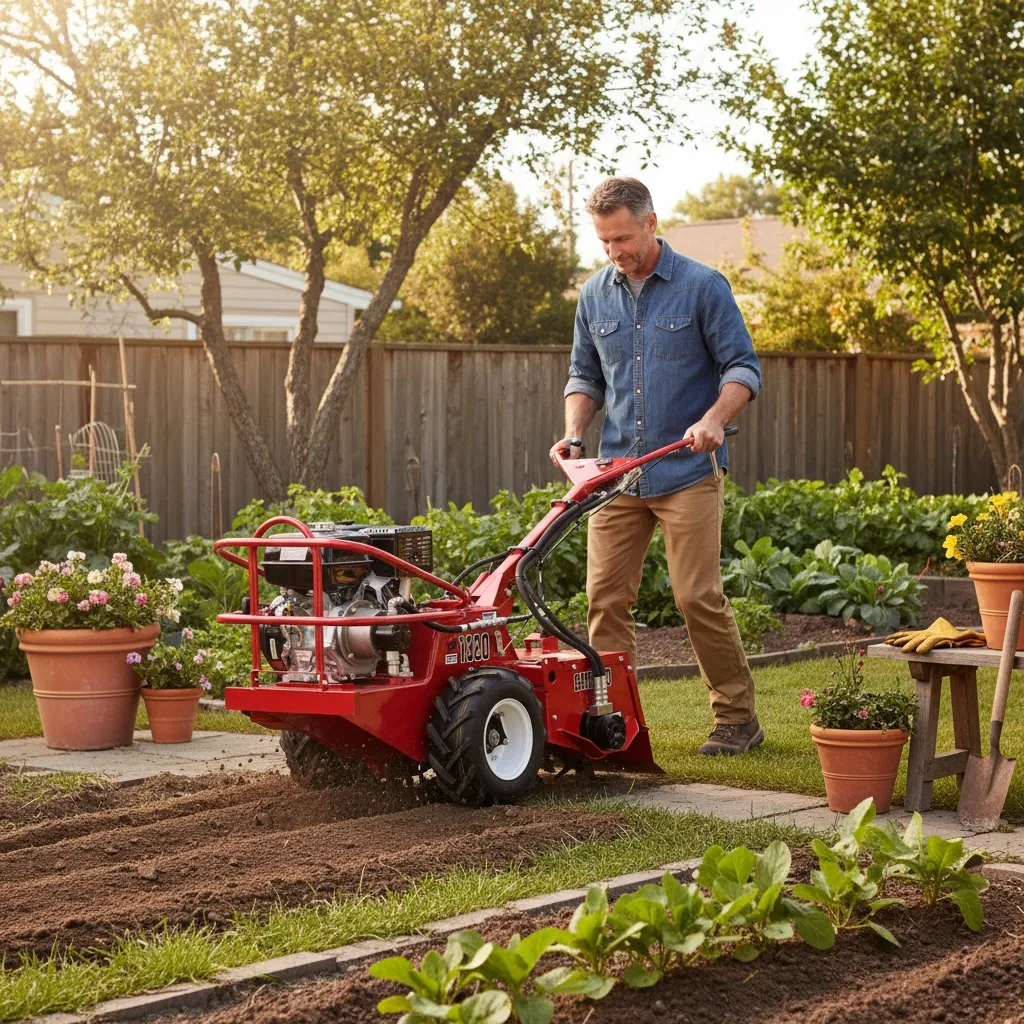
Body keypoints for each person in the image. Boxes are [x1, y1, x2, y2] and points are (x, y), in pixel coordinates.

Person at [548, 177, 763, 756]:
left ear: (650, 222)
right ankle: (613, 722)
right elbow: (585, 377)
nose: (616, 251)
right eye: (605, 242)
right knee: (605, 598)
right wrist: (573, 434)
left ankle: (737, 719)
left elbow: (742, 368)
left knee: (696, 595)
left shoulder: (701, 287)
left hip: (686, 471)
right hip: (618, 475)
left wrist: (716, 417)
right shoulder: (595, 295)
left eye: (622, 237)